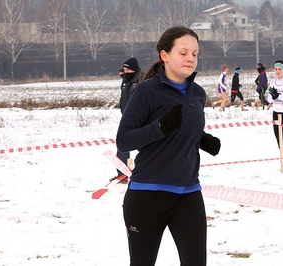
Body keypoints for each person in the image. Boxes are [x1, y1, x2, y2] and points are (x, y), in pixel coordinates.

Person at [116, 26, 220, 266]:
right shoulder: (146, 91)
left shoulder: (197, 94)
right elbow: (124, 139)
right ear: (164, 55)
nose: (190, 58)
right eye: (183, 52)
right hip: (147, 195)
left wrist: (202, 138)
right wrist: (161, 127)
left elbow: (182, 126)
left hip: (188, 194)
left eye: (194, 53)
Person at [113, 57, 142, 181]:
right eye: (124, 69)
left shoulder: (141, 81)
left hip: (140, 119)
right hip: (126, 119)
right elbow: (123, 99)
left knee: (144, 147)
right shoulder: (125, 81)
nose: (125, 71)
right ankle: (122, 174)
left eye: (128, 69)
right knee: (122, 147)